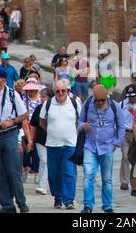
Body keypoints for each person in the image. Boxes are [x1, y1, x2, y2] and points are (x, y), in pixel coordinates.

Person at [0, 68, 30, 213]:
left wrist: (11, 122)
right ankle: (6, 204)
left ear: (2, 80)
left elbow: (24, 114)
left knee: (13, 170)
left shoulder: (12, 94)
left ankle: (21, 203)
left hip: (9, 135)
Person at [78, 84, 125, 213]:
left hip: (107, 147)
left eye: (102, 100)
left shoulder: (115, 106)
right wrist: (83, 126)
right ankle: (88, 206)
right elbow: (79, 122)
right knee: (88, 175)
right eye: (97, 100)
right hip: (90, 146)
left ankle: (107, 206)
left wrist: (116, 143)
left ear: (106, 97)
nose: (99, 103)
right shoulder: (88, 104)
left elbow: (121, 126)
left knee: (107, 178)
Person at [39, 81, 80, 209]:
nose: (61, 93)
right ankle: (58, 197)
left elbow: (80, 119)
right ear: (54, 92)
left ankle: (68, 200)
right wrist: (51, 130)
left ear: (67, 91)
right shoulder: (48, 103)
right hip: (52, 144)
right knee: (54, 173)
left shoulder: (74, 103)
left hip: (70, 145)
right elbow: (42, 121)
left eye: (63, 90)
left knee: (69, 172)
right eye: (58, 91)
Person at [30, 87, 54, 195]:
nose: (41, 99)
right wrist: (30, 140)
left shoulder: (54, 108)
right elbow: (33, 126)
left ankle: (41, 181)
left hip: (53, 138)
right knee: (45, 160)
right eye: (41, 97)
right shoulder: (38, 108)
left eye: (43, 97)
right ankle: (42, 186)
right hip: (40, 139)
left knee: (44, 162)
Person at [119, 85, 136, 191]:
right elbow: (117, 119)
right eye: (129, 96)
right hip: (125, 132)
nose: (131, 98)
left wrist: (134, 112)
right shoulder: (122, 104)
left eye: (133, 96)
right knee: (125, 157)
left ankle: (134, 179)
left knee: (135, 158)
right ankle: (124, 181)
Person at [21, 78, 42, 184]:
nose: (30, 92)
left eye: (32, 90)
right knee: (26, 150)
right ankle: (25, 168)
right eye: (29, 90)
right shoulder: (23, 100)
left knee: (36, 152)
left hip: (37, 128)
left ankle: (36, 173)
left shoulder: (40, 100)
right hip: (26, 127)